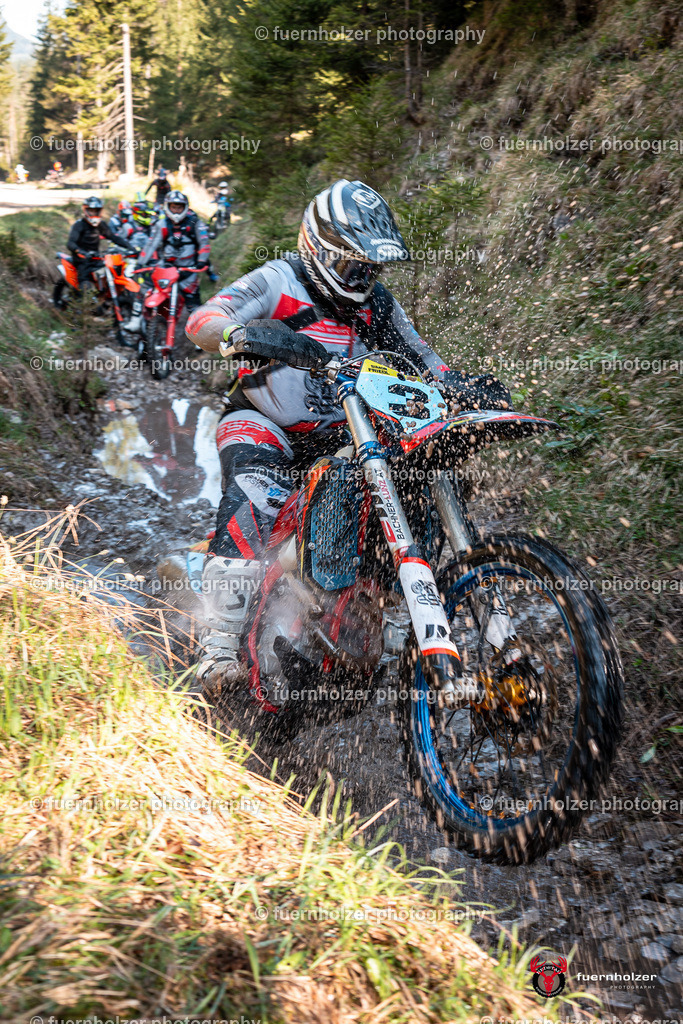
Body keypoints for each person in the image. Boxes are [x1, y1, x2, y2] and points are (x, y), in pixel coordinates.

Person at [185, 177, 511, 690]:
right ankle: (219, 647)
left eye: (370, 267)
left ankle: (376, 618)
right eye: (350, 265)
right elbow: (203, 318)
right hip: (264, 421)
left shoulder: (378, 305)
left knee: (397, 492)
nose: (361, 277)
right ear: (317, 249)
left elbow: (427, 363)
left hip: (345, 432)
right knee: (256, 499)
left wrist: (462, 389)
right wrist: (238, 334)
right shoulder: (279, 280)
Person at [123, 190, 209, 333]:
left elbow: (204, 243)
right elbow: (151, 244)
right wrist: (141, 262)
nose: (176, 210)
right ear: (167, 206)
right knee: (144, 288)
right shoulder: (161, 224)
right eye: (173, 207)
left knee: (193, 301)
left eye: (179, 207)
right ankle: (135, 320)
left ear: (185, 207)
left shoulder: (195, 222)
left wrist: (201, 261)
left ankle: (199, 333)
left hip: (188, 269)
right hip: (166, 268)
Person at [65, 195, 136, 291]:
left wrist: (130, 247)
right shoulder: (79, 225)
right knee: (85, 284)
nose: (94, 213)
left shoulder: (101, 225)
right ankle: (82, 301)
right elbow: (70, 243)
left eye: (96, 211)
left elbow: (113, 237)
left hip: (96, 257)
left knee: (110, 274)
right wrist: (81, 252)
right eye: (91, 210)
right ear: (85, 210)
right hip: (81, 259)